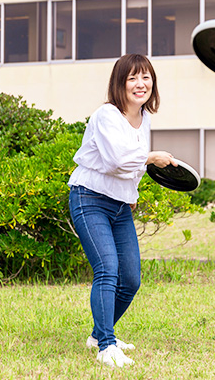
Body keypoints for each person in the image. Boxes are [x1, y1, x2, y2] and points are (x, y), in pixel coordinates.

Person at [68, 54, 175, 368]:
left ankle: (96, 334)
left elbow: (134, 166)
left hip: (119, 205)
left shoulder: (145, 117)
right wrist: (153, 156)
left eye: (146, 77)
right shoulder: (107, 115)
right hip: (89, 199)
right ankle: (106, 344)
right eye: (132, 78)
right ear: (120, 83)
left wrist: (133, 192)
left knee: (130, 278)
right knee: (107, 269)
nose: (140, 84)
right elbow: (117, 159)